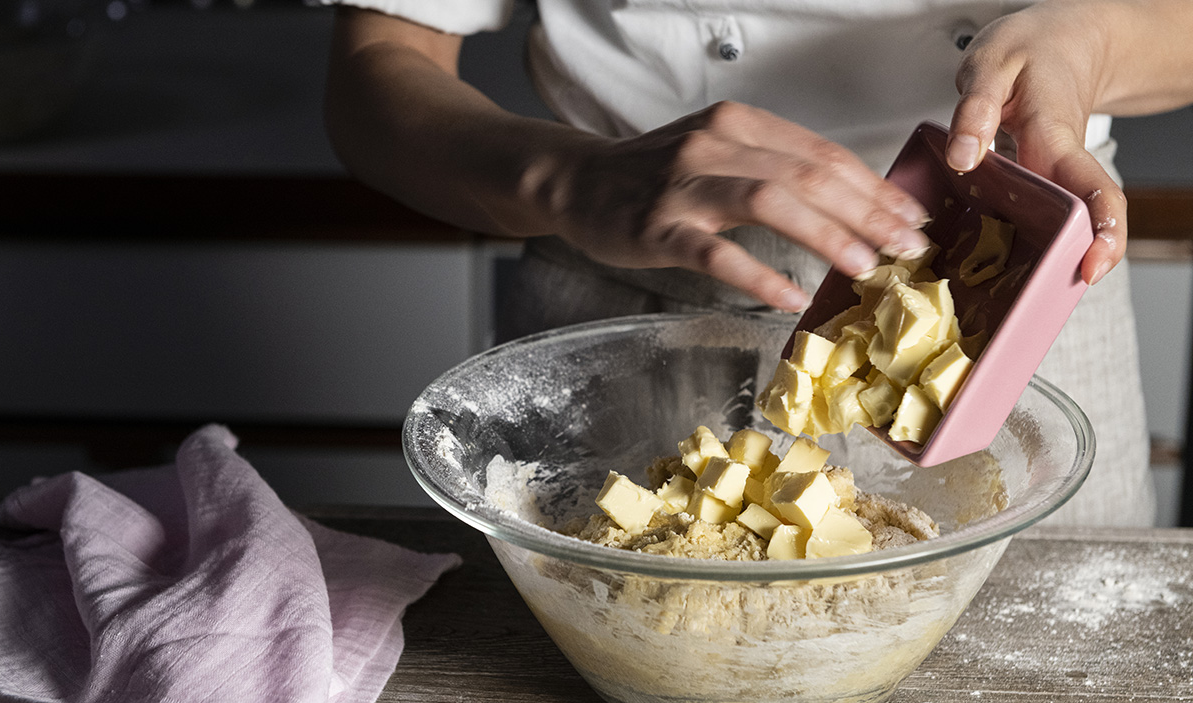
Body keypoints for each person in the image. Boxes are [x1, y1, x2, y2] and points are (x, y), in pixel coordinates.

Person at [323, 0, 1193, 527]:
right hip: (628, 287)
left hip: (1023, 283)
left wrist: (1095, 38)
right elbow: (378, 63)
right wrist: (566, 178)